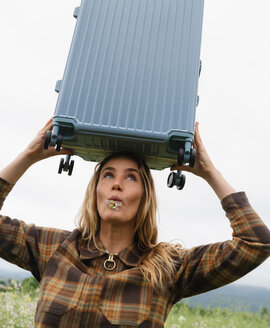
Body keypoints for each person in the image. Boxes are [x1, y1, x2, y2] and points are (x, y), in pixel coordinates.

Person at [0, 118, 269, 328]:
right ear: (96, 192)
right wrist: (28, 155)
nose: (117, 184)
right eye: (108, 175)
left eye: (131, 178)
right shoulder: (53, 247)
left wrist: (210, 172)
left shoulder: (168, 267)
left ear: (144, 198)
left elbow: (255, 243)